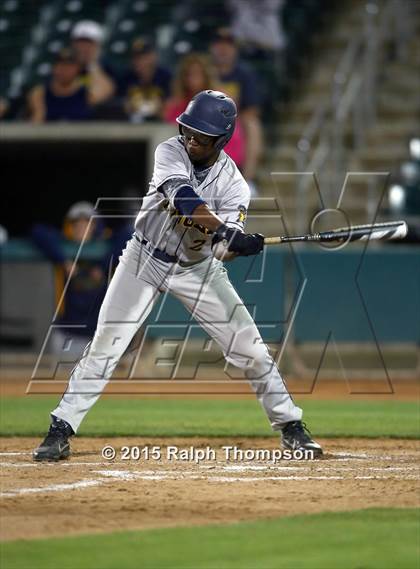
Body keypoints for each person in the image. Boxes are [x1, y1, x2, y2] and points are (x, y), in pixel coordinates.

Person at [33, 90, 322, 461]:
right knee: (108, 343)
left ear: (221, 140)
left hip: (197, 268)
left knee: (249, 346)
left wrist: (236, 243)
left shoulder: (234, 185)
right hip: (143, 257)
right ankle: (60, 428)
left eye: (201, 135)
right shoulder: (170, 151)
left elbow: (222, 250)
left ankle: (291, 427)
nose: (191, 138)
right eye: (189, 129)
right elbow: (182, 195)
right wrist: (222, 228)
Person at [31, 202, 114, 356]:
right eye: (76, 223)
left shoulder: (106, 245)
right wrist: (63, 261)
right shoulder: (61, 245)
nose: (81, 228)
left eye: (87, 223)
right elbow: (37, 231)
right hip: (67, 335)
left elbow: (130, 233)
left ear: (95, 226)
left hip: (98, 336)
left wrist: (102, 266)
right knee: (63, 379)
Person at [164, 53, 245, 169]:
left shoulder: (221, 101)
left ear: (206, 75)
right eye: (189, 74)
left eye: (197, 73)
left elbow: (231, 139)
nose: (193, 78)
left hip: (220, 165)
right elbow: (169, 137)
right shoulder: (176, 104)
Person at [210, 28, 263, 191]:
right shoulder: (205, 71)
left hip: (234, 123)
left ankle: (248, 180)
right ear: (212, 47)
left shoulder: (244, 74)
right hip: (204, 122)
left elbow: (252, 110)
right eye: (219, 44)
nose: (223, 49)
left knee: (252, 125)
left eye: (228, 45)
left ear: (235, 50)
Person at [27, 48, 92, 122]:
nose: (64, 70)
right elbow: (36, 122)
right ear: (54, 67)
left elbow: (105, 89)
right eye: (61, 65)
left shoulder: (87, 93)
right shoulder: (39, 93)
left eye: (69, 66)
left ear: (78, 69)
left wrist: (91, 64)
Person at [118, 38, 172, 123]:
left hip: (160, 124)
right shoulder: (126, 77)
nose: (140, 61)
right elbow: (121, 105)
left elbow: (172, 106)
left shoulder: (165, 77)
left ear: (153, 56)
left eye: (144, 56)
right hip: (131, 124)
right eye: (136, 57)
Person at [71, 20, 115, 105]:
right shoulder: (65, 65)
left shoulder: (108, 69)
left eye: (89, 43)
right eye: (80, 42)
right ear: (73, 44)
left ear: (98, 46)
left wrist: (92, 64)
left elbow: (98, 96)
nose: (84, 47)